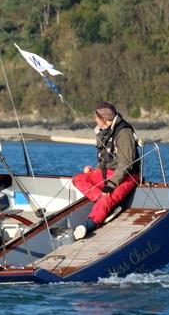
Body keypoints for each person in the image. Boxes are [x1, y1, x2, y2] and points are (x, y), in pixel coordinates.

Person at [73, 101, 140, 240]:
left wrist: (111, 185)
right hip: (106, 172)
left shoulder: (124, 133)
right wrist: (95, 170)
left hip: (126, 176)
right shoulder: (104, 131)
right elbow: (106, 158)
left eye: (96, 117)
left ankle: (89, 225)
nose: (94, 120)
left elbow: (127, 163)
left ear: (104, 119)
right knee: (79, 178)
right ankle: (105, 205)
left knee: (106, 197)